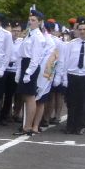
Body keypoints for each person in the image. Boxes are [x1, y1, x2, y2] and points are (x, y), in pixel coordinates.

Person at [12, 9, 55, 137]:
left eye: (33, 20)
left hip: (31, 66)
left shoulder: (38, 37)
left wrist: (28, 73)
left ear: (40, 22)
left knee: (30, 97)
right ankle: (26, 125)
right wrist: (20, 71)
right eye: (29, 20)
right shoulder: (29, 34)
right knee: (25, 97)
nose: (30, 22)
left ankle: (28, 127)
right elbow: (21, 54)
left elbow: (36, 58)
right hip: (25, 64)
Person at [56, 20, 85, 134]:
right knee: (71, 103)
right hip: (73, 75)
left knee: (83, 103)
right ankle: (69, 126)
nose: (82, 31)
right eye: (80, 29)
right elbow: (66, 61)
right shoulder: (71, 44)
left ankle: (80, 126)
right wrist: (64, 78)